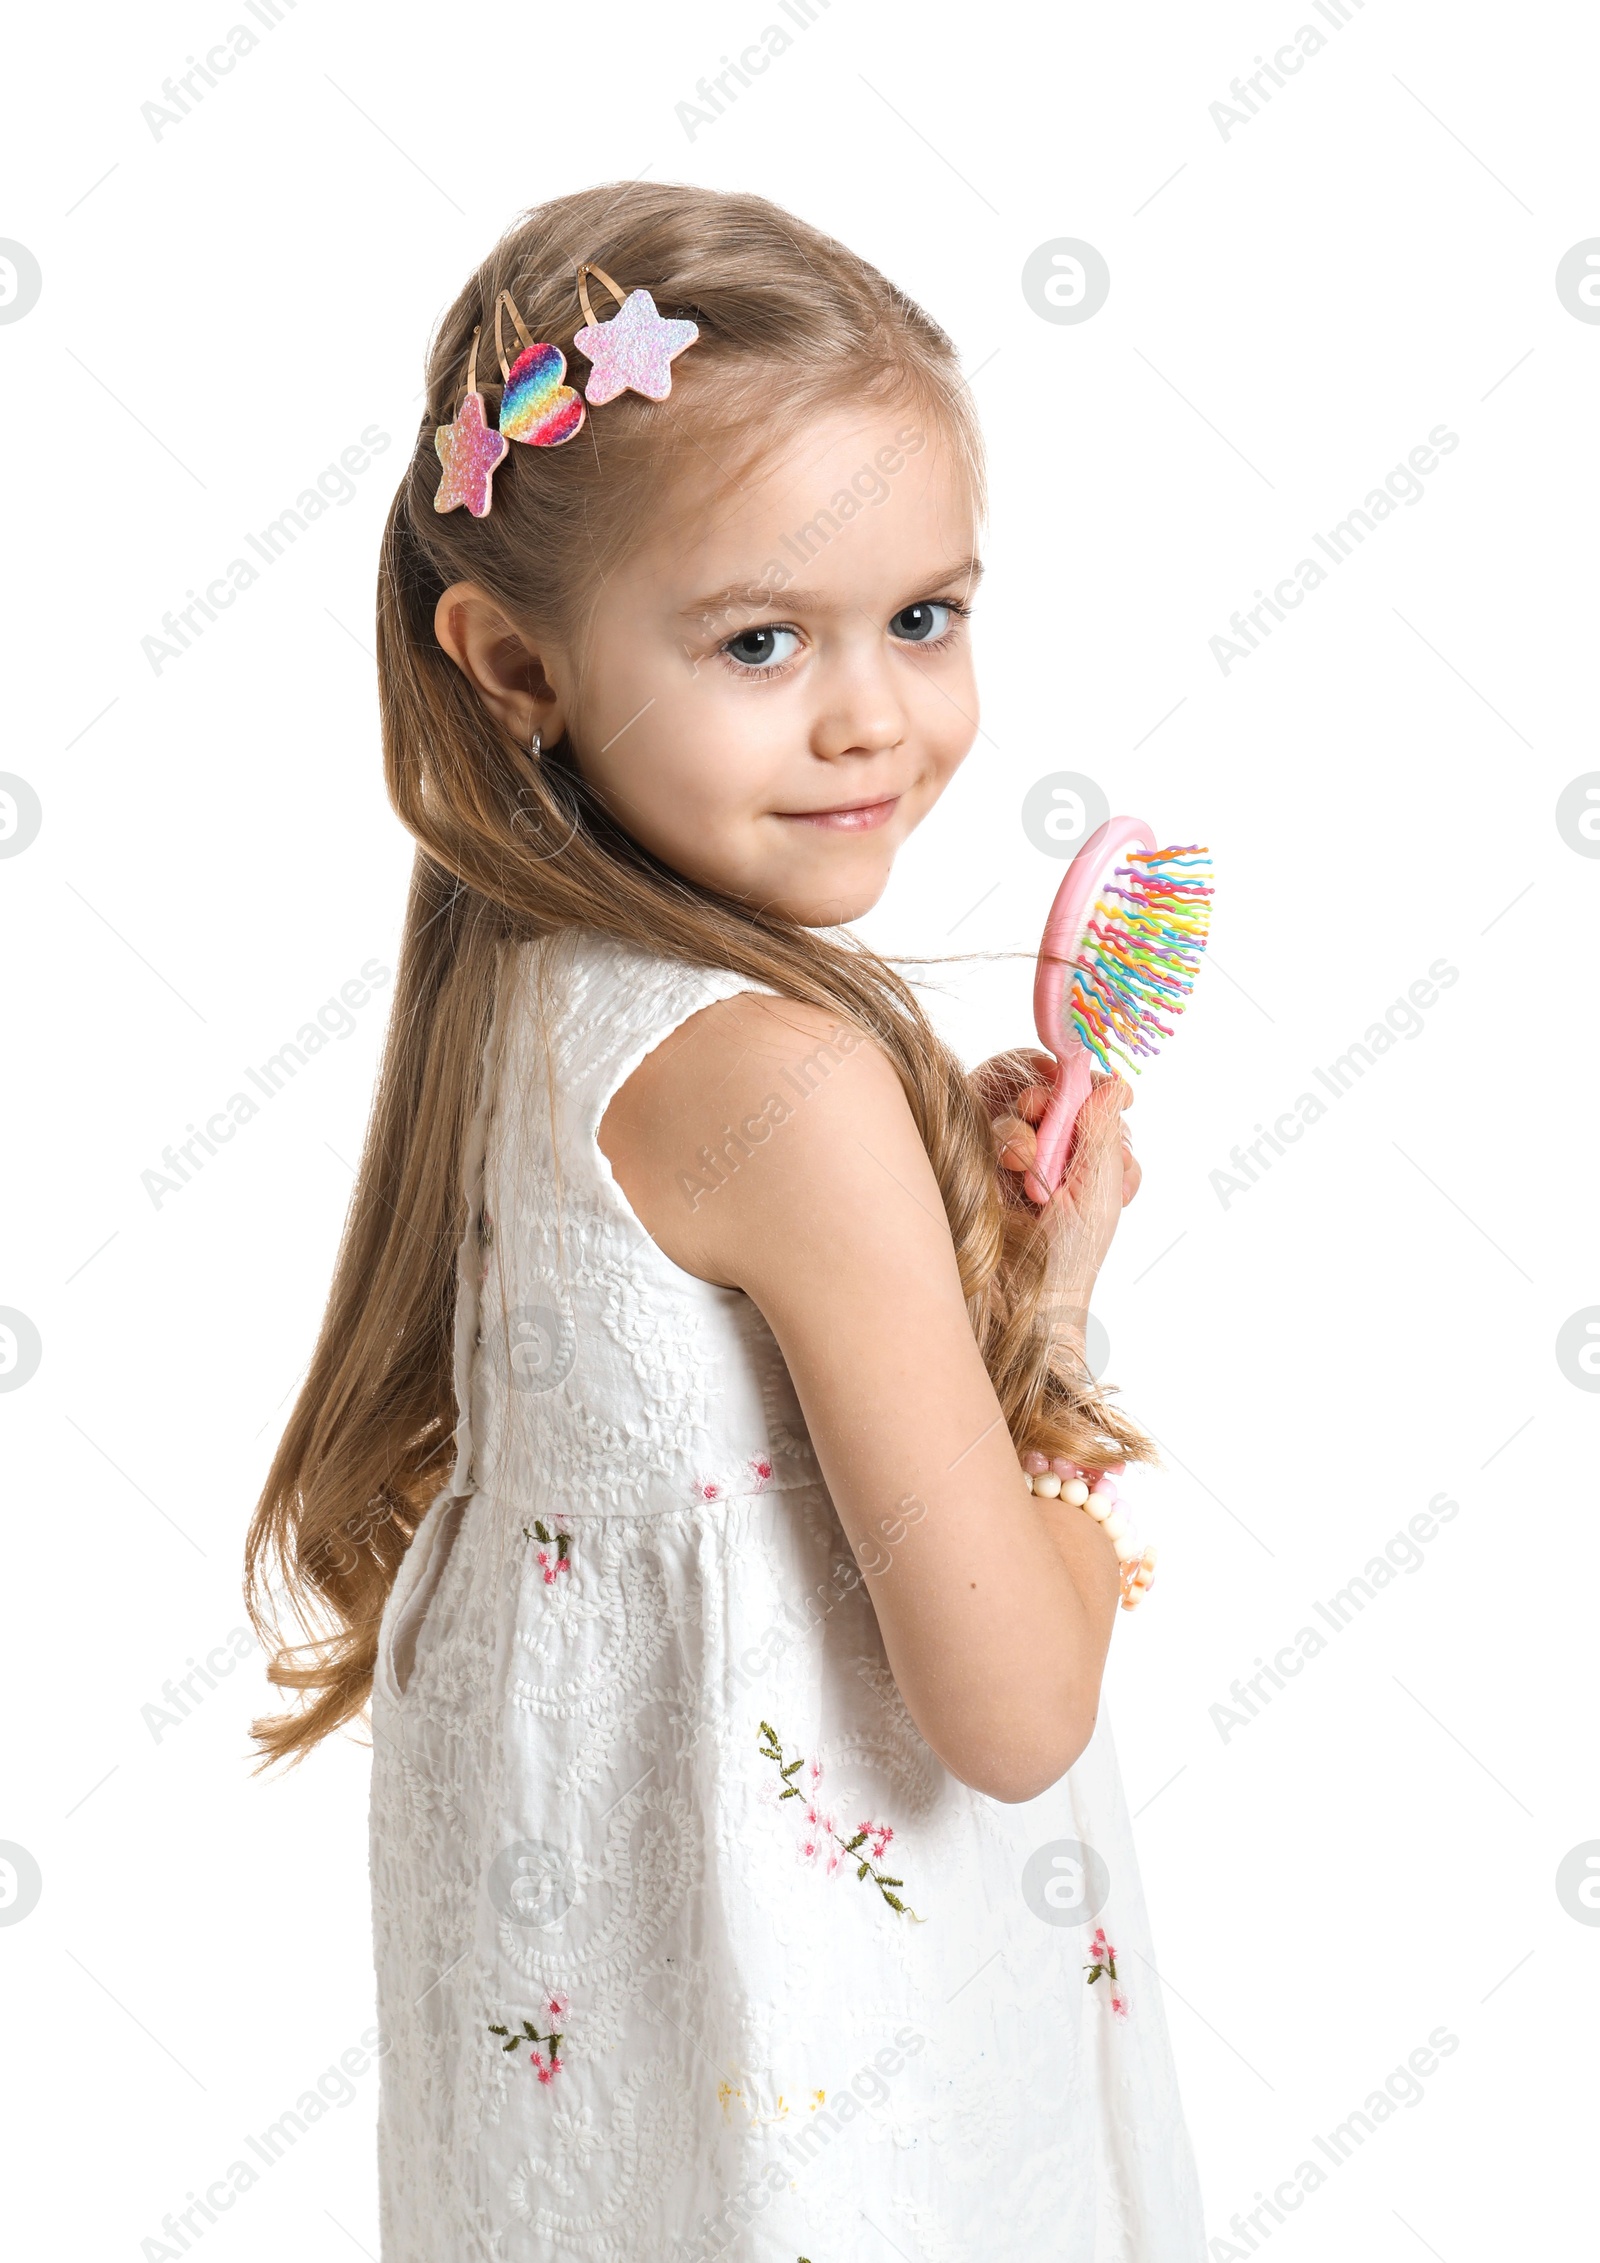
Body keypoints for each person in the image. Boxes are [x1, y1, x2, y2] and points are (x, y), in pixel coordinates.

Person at [246, 181, 1205, 2260]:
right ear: (513, 664)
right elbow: (1010, 1704)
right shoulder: (783, 1081)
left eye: (922, 617)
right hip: (834, 2082)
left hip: (616, 2096)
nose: (870, 716)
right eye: (761, 639)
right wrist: (1044, 1339)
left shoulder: (526, 977)